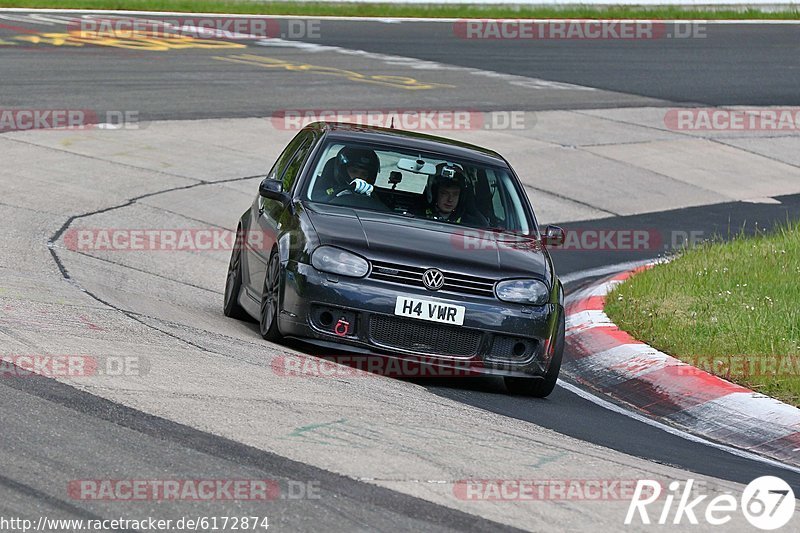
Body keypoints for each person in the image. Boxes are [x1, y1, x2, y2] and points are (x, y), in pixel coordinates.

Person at [311, 145, 380, 201]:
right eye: (354, 171)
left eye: (364, 174)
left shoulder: (372, 195)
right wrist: (337, 193)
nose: (358, 176)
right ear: (342, 171)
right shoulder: (322, 187)